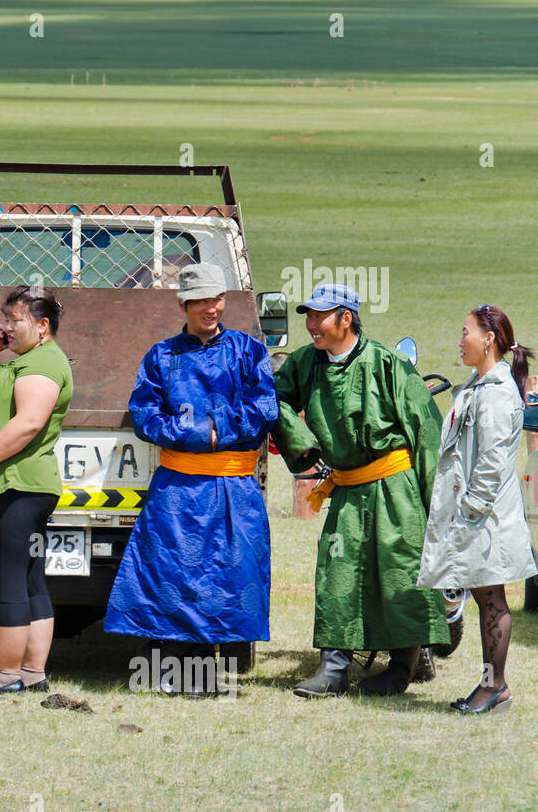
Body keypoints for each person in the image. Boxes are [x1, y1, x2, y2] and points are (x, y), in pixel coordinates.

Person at [103, 263, 277, 696]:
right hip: (178, 486)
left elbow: (265, 407)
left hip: (232, 486)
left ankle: (205, 675)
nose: (210, 308)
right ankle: (168, 672)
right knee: (172, 574)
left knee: (225, 576)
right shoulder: (161, 356)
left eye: (216, 299)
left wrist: (222, 427)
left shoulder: (249, 351)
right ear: (182, 303)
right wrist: (195, 433)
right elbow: (144, 414)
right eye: (199, 300)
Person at [274, 284, 449, 698]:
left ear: (345, 318)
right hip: (348, 488)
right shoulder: (304, 363)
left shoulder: (387, 364)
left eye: (319, 316)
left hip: (395, 487)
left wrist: (436, 504)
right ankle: (332, 669)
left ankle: (401, 668)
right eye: (308, 316)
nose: (310, 324)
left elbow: (425, 431)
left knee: (399, 573)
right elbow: (272, 399)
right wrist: (303, 444)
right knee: (337, 572)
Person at [0, 286, 73, 694]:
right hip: (17, 487)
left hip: (12, 486)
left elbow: (29, 422)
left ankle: (6, 675)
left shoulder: (42, 365)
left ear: (42, 326)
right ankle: (33, 673)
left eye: (14, 320)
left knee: (8, 579)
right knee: (29, 577)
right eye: (5, 318)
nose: (6, 326)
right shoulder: (21, 361)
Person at [418, 305, 535, 714]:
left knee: (491, 600)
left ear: (488, 339)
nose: (459, 339)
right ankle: (489, 686)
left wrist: (469, 511)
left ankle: (495, 687)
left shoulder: (498, 395)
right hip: (477, 518)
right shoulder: (479, 385)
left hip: (486, 520)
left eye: (464, 331)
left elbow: (492, 462)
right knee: (487, 598)